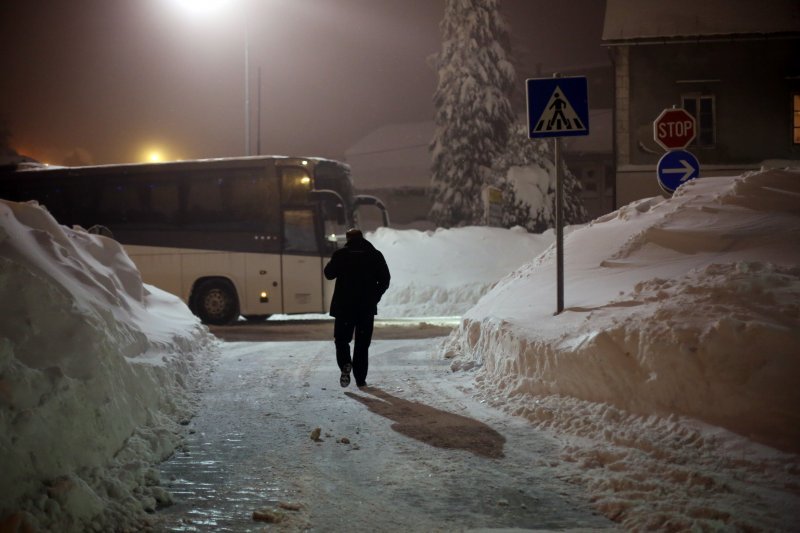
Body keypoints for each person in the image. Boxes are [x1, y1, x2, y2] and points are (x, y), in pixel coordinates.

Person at [324, 228, 390, 388]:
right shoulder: (374, 255)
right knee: (362, 344)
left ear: (348, 239)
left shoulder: (341, 255)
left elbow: (329, 273)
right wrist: (374, 297)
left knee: (341, 340)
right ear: (362, 238)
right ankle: (360, 379)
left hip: (344, 307)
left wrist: (335, 258)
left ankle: (345, 364)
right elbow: (385, 279)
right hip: (365, 308)